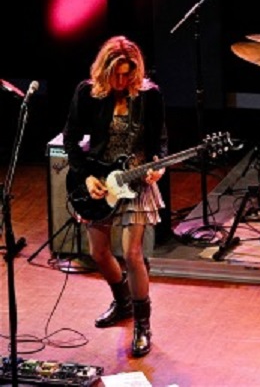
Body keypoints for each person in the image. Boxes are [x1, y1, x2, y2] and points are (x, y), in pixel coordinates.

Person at [63, 35, 168, 358]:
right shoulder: (87, 92)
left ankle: (142, 325)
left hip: (135, 180)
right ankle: (123, 303)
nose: (122, 82)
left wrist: (158, 167)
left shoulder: (149, 95)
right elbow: (70, 139)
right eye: (116, 75)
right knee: (98, 252)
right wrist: (86, 176)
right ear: (105, 71)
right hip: (100, 181)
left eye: (127, 75)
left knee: (132, 254)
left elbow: (160, 143)